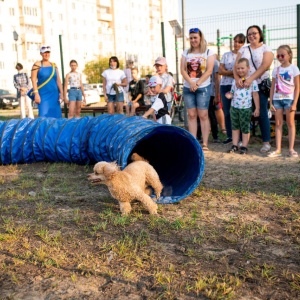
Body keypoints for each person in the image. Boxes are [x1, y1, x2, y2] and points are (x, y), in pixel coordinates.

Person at [234, 25, 274, 153]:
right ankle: (242, 140)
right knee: (242, 113)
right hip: (243, 88)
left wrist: (250, 79)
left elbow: (265, 66)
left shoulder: (266, 48)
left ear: (260, 34)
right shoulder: (244, 49)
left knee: (262, 112)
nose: (251, 36)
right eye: (249, 34)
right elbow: (236, 66)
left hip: (259, 85)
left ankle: (266, 141)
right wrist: (237, 80)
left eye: (254, 33)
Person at [180, 27, 214, 151]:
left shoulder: (208, 52)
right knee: (192, 115)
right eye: (191, 38)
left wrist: (197, 83)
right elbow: (183, 70)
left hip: (203, 87)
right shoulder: (186, 53)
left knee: (203, 115)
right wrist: (191, 83)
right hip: (188, 87)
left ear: (200, 38)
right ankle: (193, 141)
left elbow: (209, 70)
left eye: (195, 37)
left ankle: (205, 143)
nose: (193, 40)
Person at [268, 45, 299, 158]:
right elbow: (272, 87)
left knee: (290, 123)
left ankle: (291, 149)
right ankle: (278, 149)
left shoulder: (294, 68)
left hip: (289, 99)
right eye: (278, 55)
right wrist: (270, 102)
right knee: (278, 124)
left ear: (289, 55)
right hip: (277, 99)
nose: (280, 57)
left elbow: (297, 87)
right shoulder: (276, 69)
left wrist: (295, 103)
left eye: (282, 55)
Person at [227, 58, 260, 154]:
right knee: (235, 126)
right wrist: (229, 95)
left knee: (245, 127)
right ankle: (234, 144)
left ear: (248, 68)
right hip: (234, 107)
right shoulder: (235, 81)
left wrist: (257, 108)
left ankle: (244, 146)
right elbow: (232, 92)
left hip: (246, 108)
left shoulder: (252, 81)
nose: (240, 70)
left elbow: (255, 95)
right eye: (238, 68)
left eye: (242, 68)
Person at [219, 33, 246, 144]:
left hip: (238, 86)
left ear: (243, 43)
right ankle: (230, 136)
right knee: (227, 112)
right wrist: (234, 72)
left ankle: (239, 137)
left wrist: (228, 72)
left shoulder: (244, 56)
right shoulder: (226, 55)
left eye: (239, 42)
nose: (236, 44)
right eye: (235, 41)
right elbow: (220, 71)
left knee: (238, 112)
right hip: (225, 85)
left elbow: (244, 72)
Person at [30, 45, 64, 118]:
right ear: (41, 54)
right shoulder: (37, 65)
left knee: (56, 116)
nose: (46, 54)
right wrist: (36, 94)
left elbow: (58, 80)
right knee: (44, 115)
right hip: (43, 95)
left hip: (54, 94)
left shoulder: (54, 65)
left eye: (48, 52)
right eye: (44, 53)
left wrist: (61, 93)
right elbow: (33, 79)